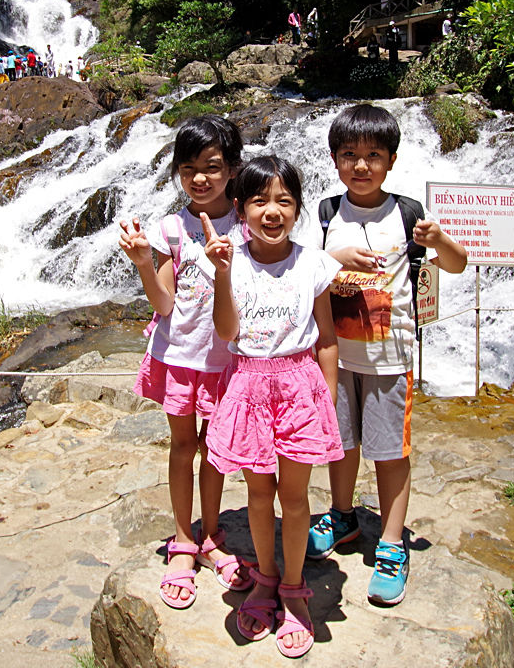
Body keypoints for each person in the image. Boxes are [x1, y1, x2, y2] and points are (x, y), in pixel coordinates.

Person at [305, 104, 467, 606]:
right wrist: (333, 258)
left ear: (391, 160)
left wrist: (439, 239)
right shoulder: (327, 213)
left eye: (373, 155)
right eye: (349, 155)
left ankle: (393, 543)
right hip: (335, 354)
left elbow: (456, 267)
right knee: (342, 443)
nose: (361, 166)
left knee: (391, 452)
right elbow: (302, 267)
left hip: (391, 359)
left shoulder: (409, 214)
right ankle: (343, 516)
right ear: (334, 160)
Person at [203, 156, 343, 659]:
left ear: (298, 208)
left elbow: (326, 338)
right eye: (260, 200)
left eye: (284, 200)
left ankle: (293, 585)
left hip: (300, 384)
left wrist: (324, 398)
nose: (272, 211)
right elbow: (226, 333)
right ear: (240, 208)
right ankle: (264, 577)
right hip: (249, 385)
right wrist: (221, 273)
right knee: (259, 495)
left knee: (297, 497)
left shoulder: (315, 263)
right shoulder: (228, 259)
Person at [119, 116, 250, 611]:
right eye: (189, 168)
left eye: (212, 168)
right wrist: (142, 263)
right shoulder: (171, 228)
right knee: (182, 446)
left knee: (216, 448)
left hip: (227, 360)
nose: (200, 178)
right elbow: (164, 303)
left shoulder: (249, 223)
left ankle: (212, 535)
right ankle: (182, 539)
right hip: (178, 356)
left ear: (233, 169)